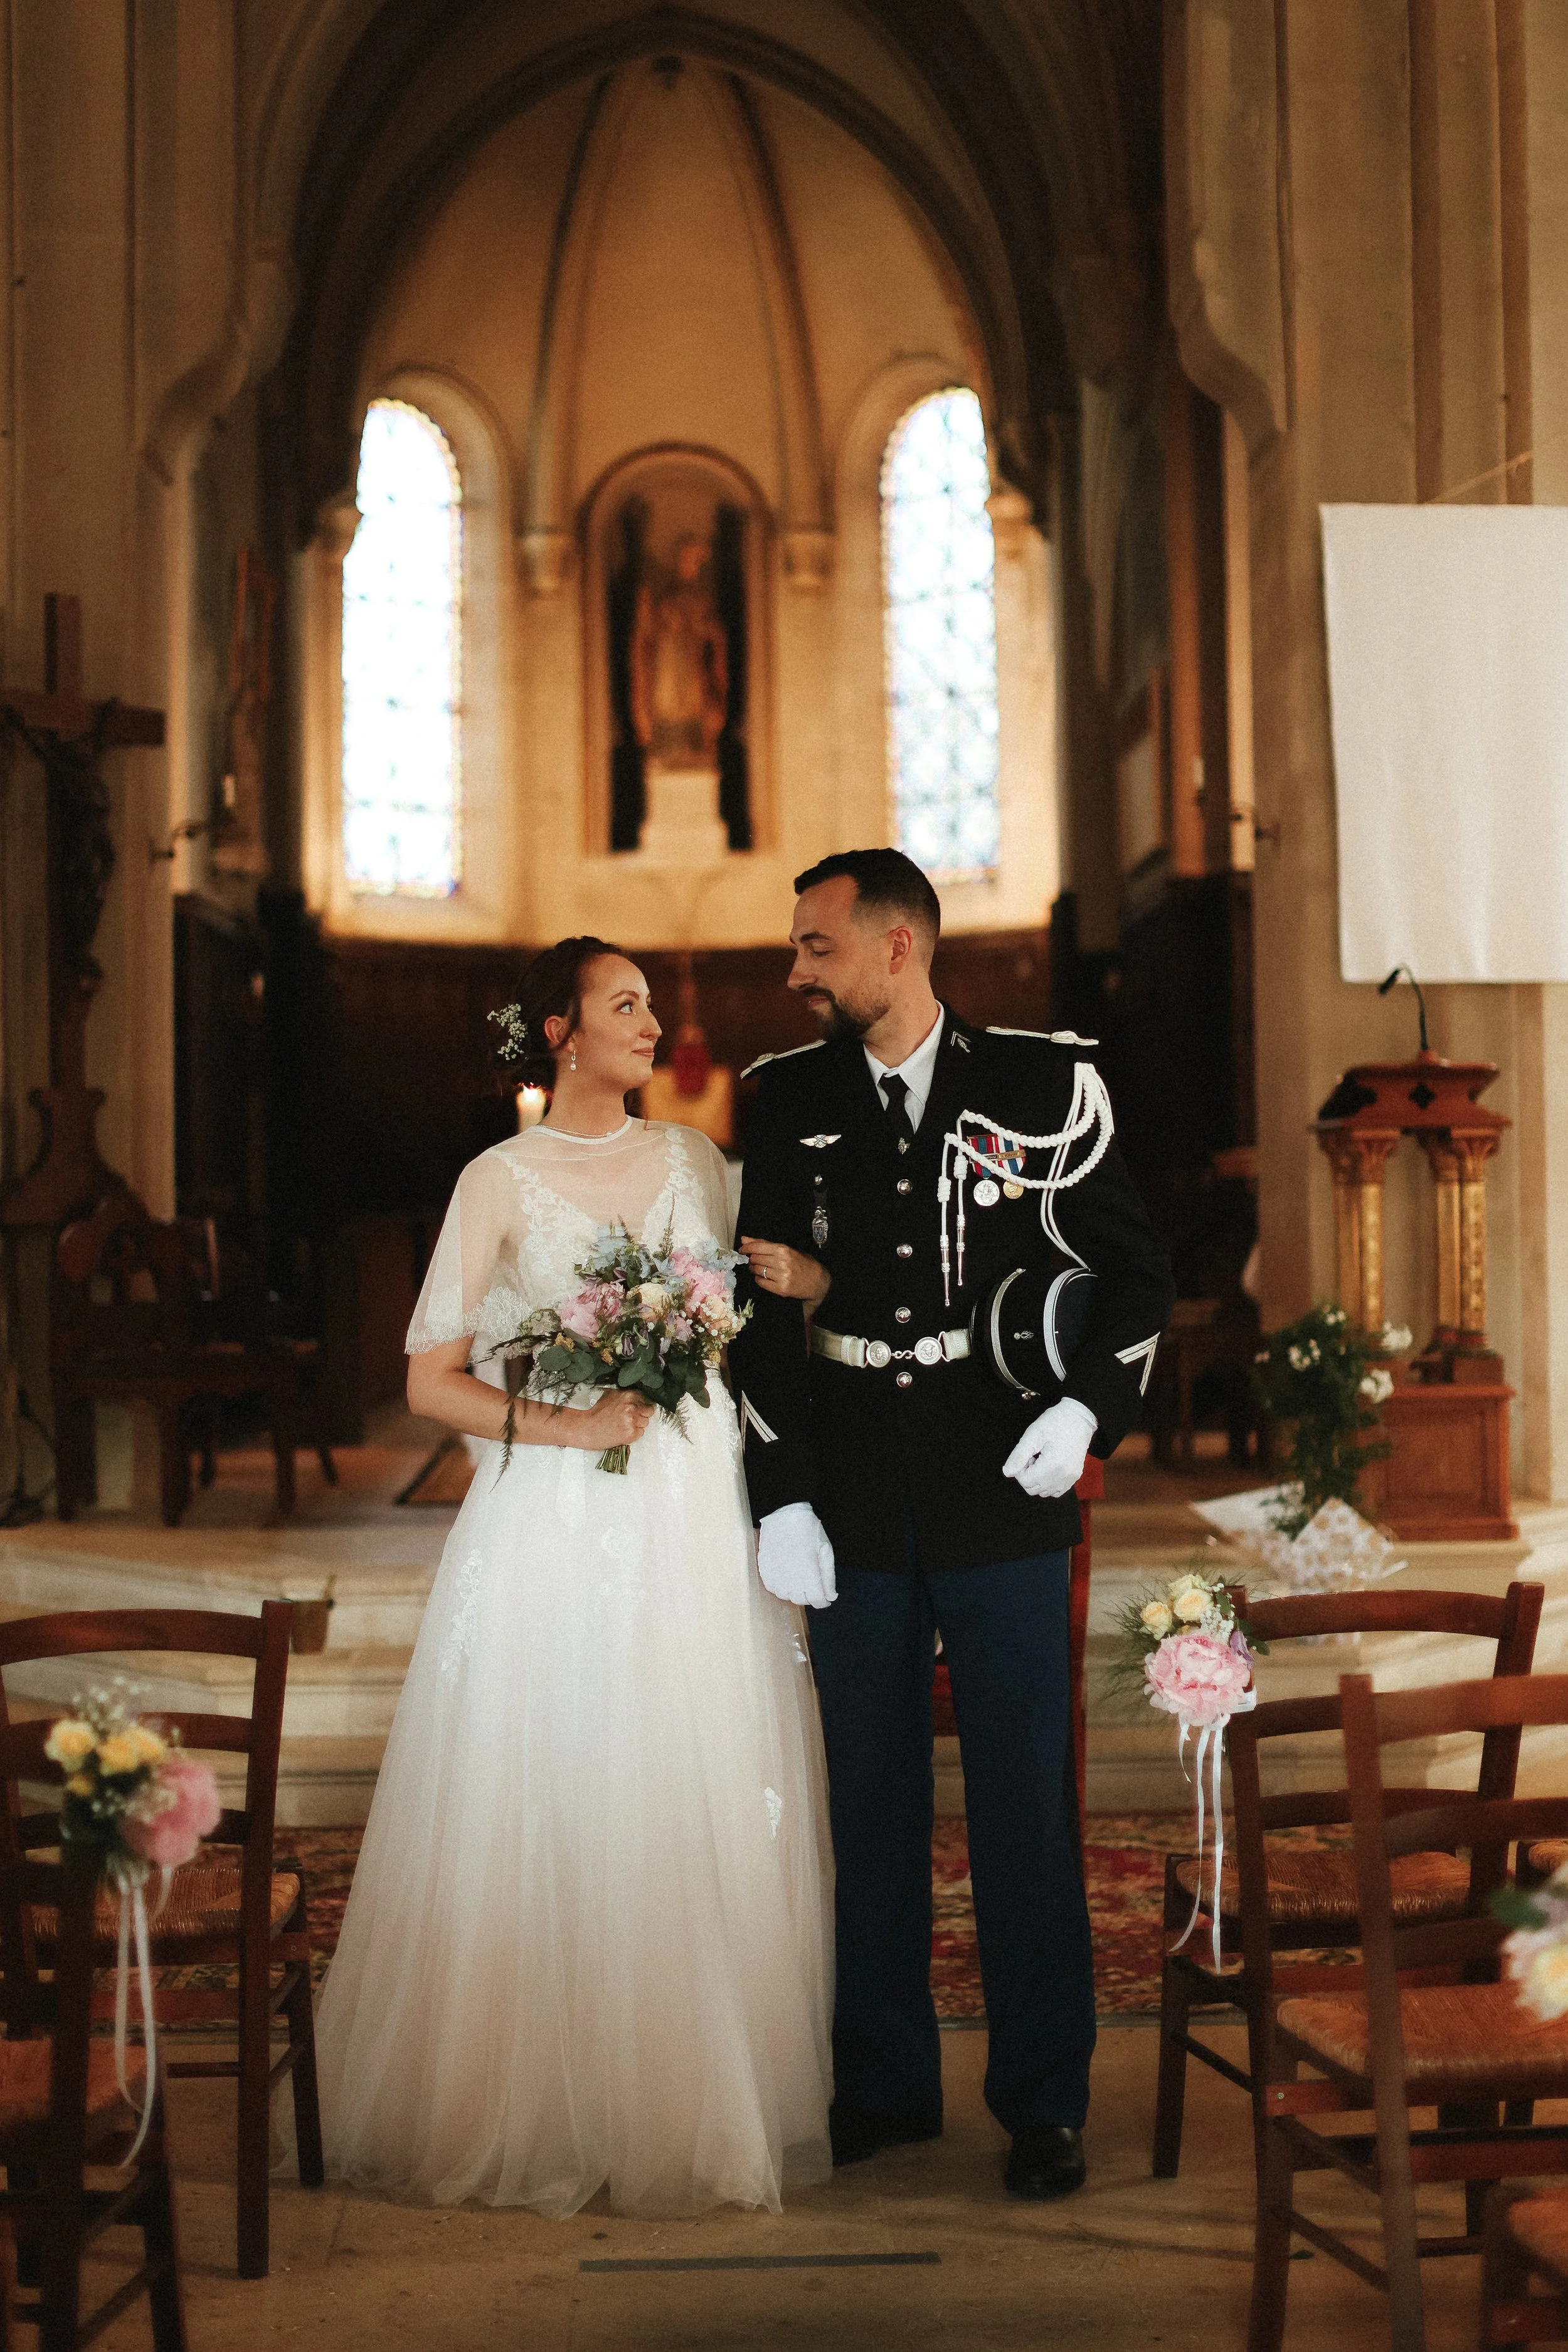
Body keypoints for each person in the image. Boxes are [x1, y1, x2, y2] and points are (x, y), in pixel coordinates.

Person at [314, 938, 832, 2217]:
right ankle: (532, 2091)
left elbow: (748, 1317)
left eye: (648, 1003)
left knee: (691, 1753)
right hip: (552, 1502)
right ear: (557, 1032)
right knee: (552, 1756)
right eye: (622, 1005)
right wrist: (571, 1425)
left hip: (692, 1500)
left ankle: (695, 2090)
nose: (651, 1023)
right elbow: (432, 1375)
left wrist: (803, 1288)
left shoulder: (694, 1164)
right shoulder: (497, 1180)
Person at [731, 850, 1173, 2200]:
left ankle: (1041, 2102)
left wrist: (1089, 1415)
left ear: (897, 947)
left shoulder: (1046, 1084)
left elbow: (1135, 1280)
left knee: (1020, 1814)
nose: (795, 970)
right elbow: (757, 1316)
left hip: (1003, 1492)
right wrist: (781, 1488)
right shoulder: (782, 1097)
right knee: (864, 1805)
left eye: (815, 946)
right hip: (852, 1492)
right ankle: (882, 2085)